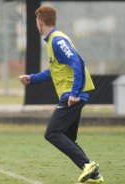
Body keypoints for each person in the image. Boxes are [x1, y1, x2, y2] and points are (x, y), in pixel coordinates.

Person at [18, 5, 104, 183]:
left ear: (40, 22)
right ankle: (94, 174)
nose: (36, 24)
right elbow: (55, 70)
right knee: (68, 138)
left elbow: (78, 62)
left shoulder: (57, 40)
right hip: (75, 93)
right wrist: (32, 78)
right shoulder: (53, 40)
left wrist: (74, 93)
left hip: (72, 95)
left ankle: (88, 165)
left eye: (36, 21)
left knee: (52, 133)